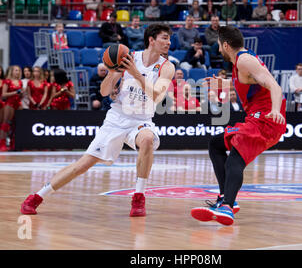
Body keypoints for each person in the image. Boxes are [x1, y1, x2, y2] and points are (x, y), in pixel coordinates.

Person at [20, 24, 175, 218]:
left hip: (141, 120)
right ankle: (37, 196)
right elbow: (103, 92)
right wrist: (112, 74)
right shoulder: (127, 57)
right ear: (151, 40)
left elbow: (158, 96)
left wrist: (135, 74)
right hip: (117, 118)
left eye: (169, 38)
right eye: (164, 38)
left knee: (147, 140)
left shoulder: (167, 66)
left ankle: (138, 197)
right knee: (83, 165)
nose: (168, 42)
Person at [191, 26, 286, 226]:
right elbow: (247, 84)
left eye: (218, 45)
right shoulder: (239, 63)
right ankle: (227, 199)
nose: (218, 50)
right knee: (216, 145)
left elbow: (274, 86)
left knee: (236, 156)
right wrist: (224, 85)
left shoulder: (245, 60)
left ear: (226, 45)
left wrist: (276, 110)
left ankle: (227, 205)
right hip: (256, 118)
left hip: (265, 119)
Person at [0, 65, 24, 151]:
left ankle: (13, 143)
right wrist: (15, 92)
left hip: (18, 103)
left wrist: (21, 94)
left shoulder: (20, 82)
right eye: (16, 70)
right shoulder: (7, 81)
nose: (17, 72)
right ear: (12, 71)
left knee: (16, 124)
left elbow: (20, 95)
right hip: (10, 103)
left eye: (18, 70)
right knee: (5, 123)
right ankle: (2, 143)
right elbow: (3, 95)